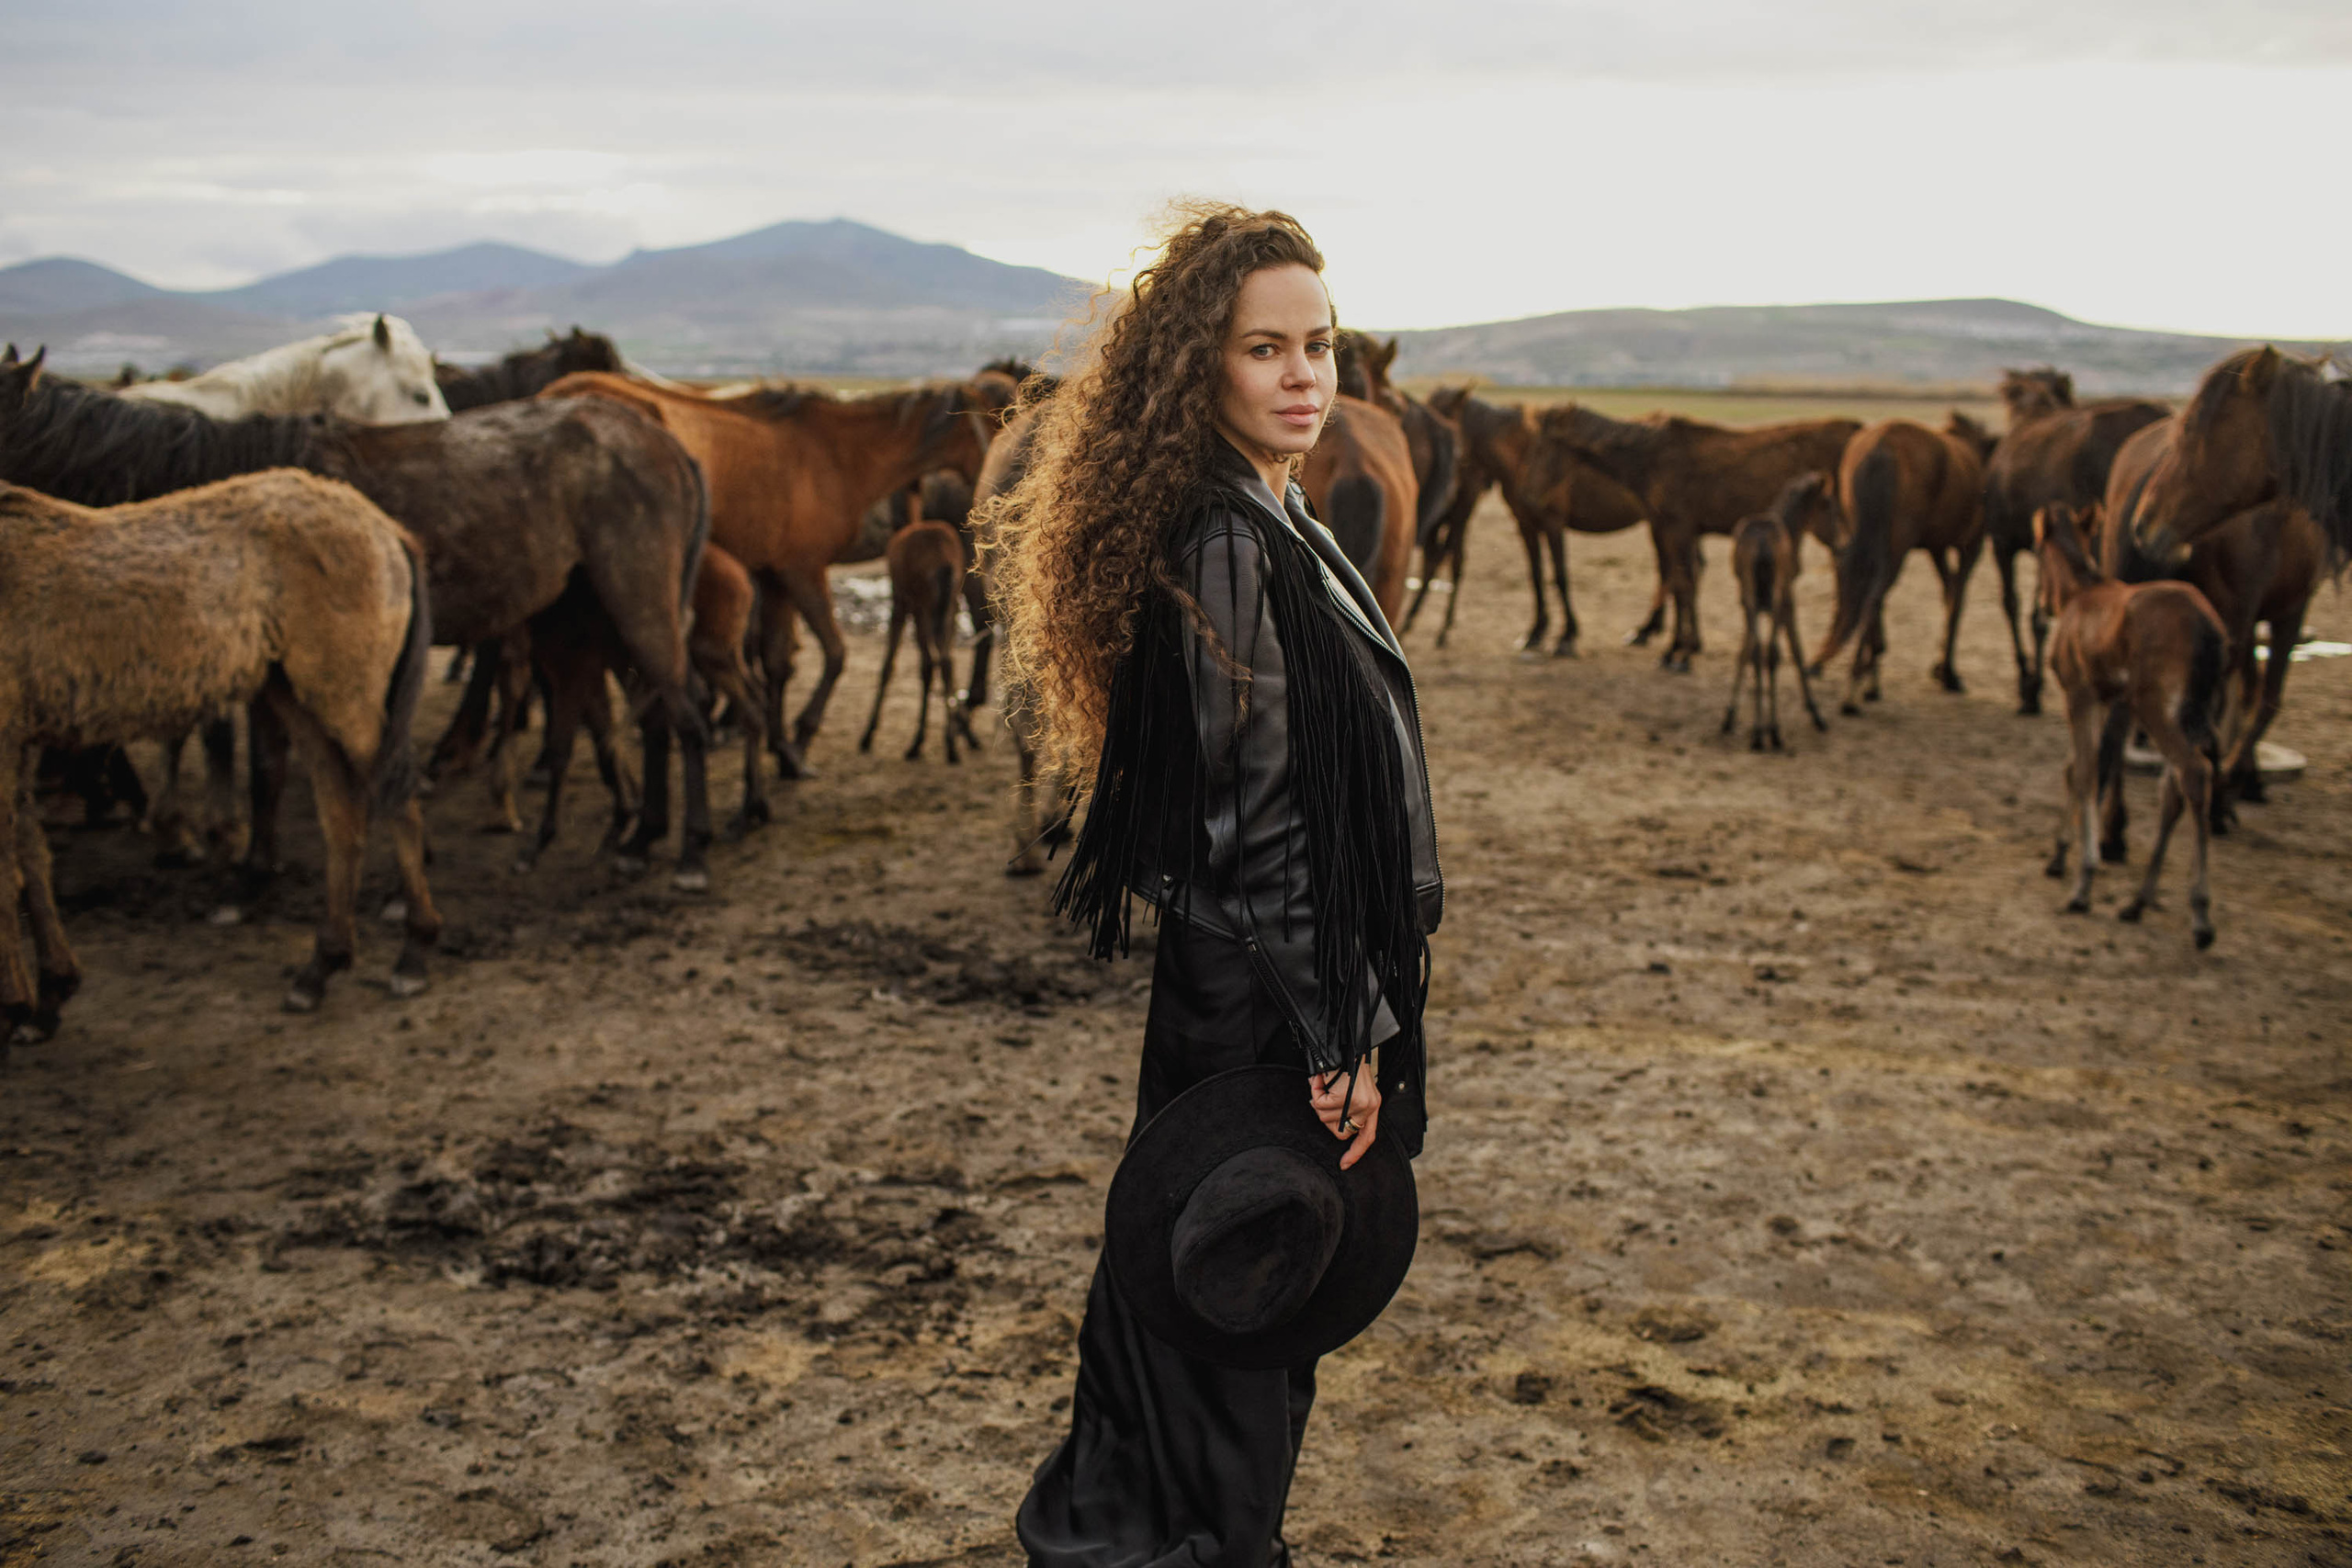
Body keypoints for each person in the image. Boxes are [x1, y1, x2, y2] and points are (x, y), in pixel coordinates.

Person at [988, 203, 1443, 1567]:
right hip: (1272, 983)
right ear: (1202, 367)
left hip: (1261, 969)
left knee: (1195, 1289)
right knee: (1247, 1295)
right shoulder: (1233, 542)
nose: (1307, 374)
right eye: (1266, 349)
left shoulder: (1268, 516)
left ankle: (1120, 1532)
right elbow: (1264, 828)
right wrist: (1340, 1029)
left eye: (1323, 344)